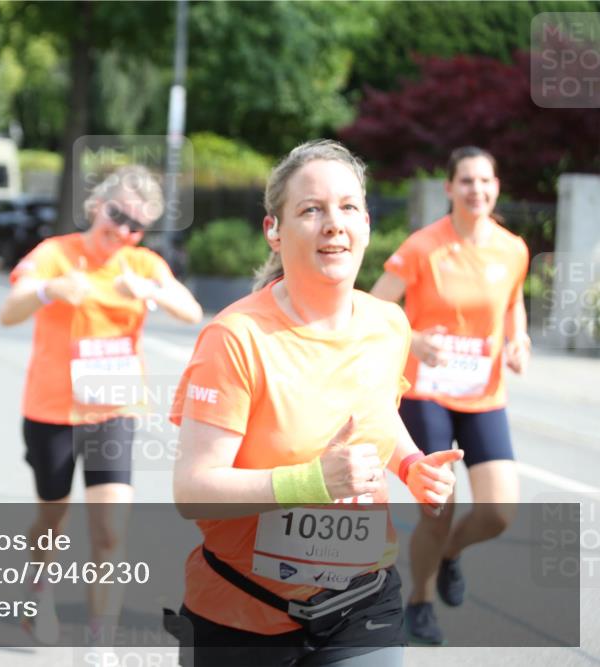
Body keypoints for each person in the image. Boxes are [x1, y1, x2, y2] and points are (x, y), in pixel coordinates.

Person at [169, 140, 463, 666]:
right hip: (242, 613)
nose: (334, 223)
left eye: (348, 207)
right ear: (274, 233)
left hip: (362, 603)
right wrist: (312, 481)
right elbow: (193, 490)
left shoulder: (388, 325)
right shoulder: (236, 338)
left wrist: (412, 464)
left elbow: (377, 413)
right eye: (311, 209)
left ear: (367, 224)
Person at [0, 165, 203, 645]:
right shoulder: (55, 254)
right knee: (52, 519)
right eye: (118, 215)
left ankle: (99, 640)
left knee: (110, 530)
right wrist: (49, 290)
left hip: (114, 411)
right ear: (96, 207)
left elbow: (191, 310)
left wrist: (150, 291)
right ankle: (37, 589)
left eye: (137, 225)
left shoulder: (143, 264)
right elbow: (10, 309)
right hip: (52, 411)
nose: (124, 231)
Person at [370, 146, 530, 646]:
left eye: (485, 181)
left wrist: (518, 337)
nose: (476, 190)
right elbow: (375, 311)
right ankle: (420, 599)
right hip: (427, 392)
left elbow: (512, 301)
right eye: (466, 181)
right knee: (437, 508)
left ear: (496, 187)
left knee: (499, 512)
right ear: (448, 188)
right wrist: (412, 340)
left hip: (484, 394)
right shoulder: (422, 247)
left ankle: (450, 554)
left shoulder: (512, 249)